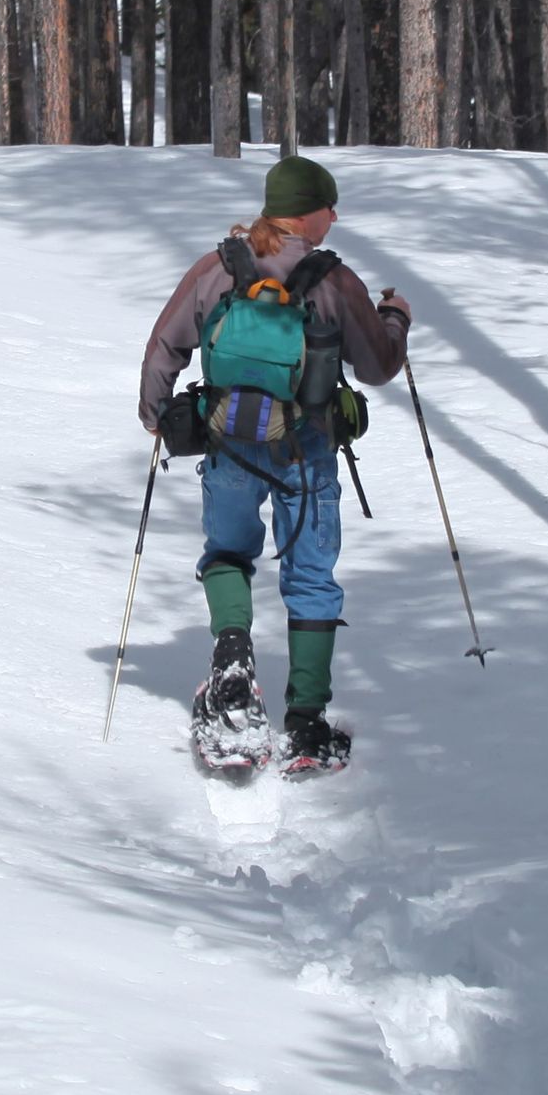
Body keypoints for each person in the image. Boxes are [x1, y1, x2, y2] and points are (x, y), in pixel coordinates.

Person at [137, 153, 412, 775]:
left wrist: (156, 414)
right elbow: (376, 368)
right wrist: (396, 319)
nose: (335, 217)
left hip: (228, 441)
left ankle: (232, 667)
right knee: (311, 575)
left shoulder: (217, 268)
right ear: (306, 213)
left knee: (228, 554)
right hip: (306, 450)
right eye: (328, 207)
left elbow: (165, 346)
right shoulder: (334, 282)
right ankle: (307, 725)